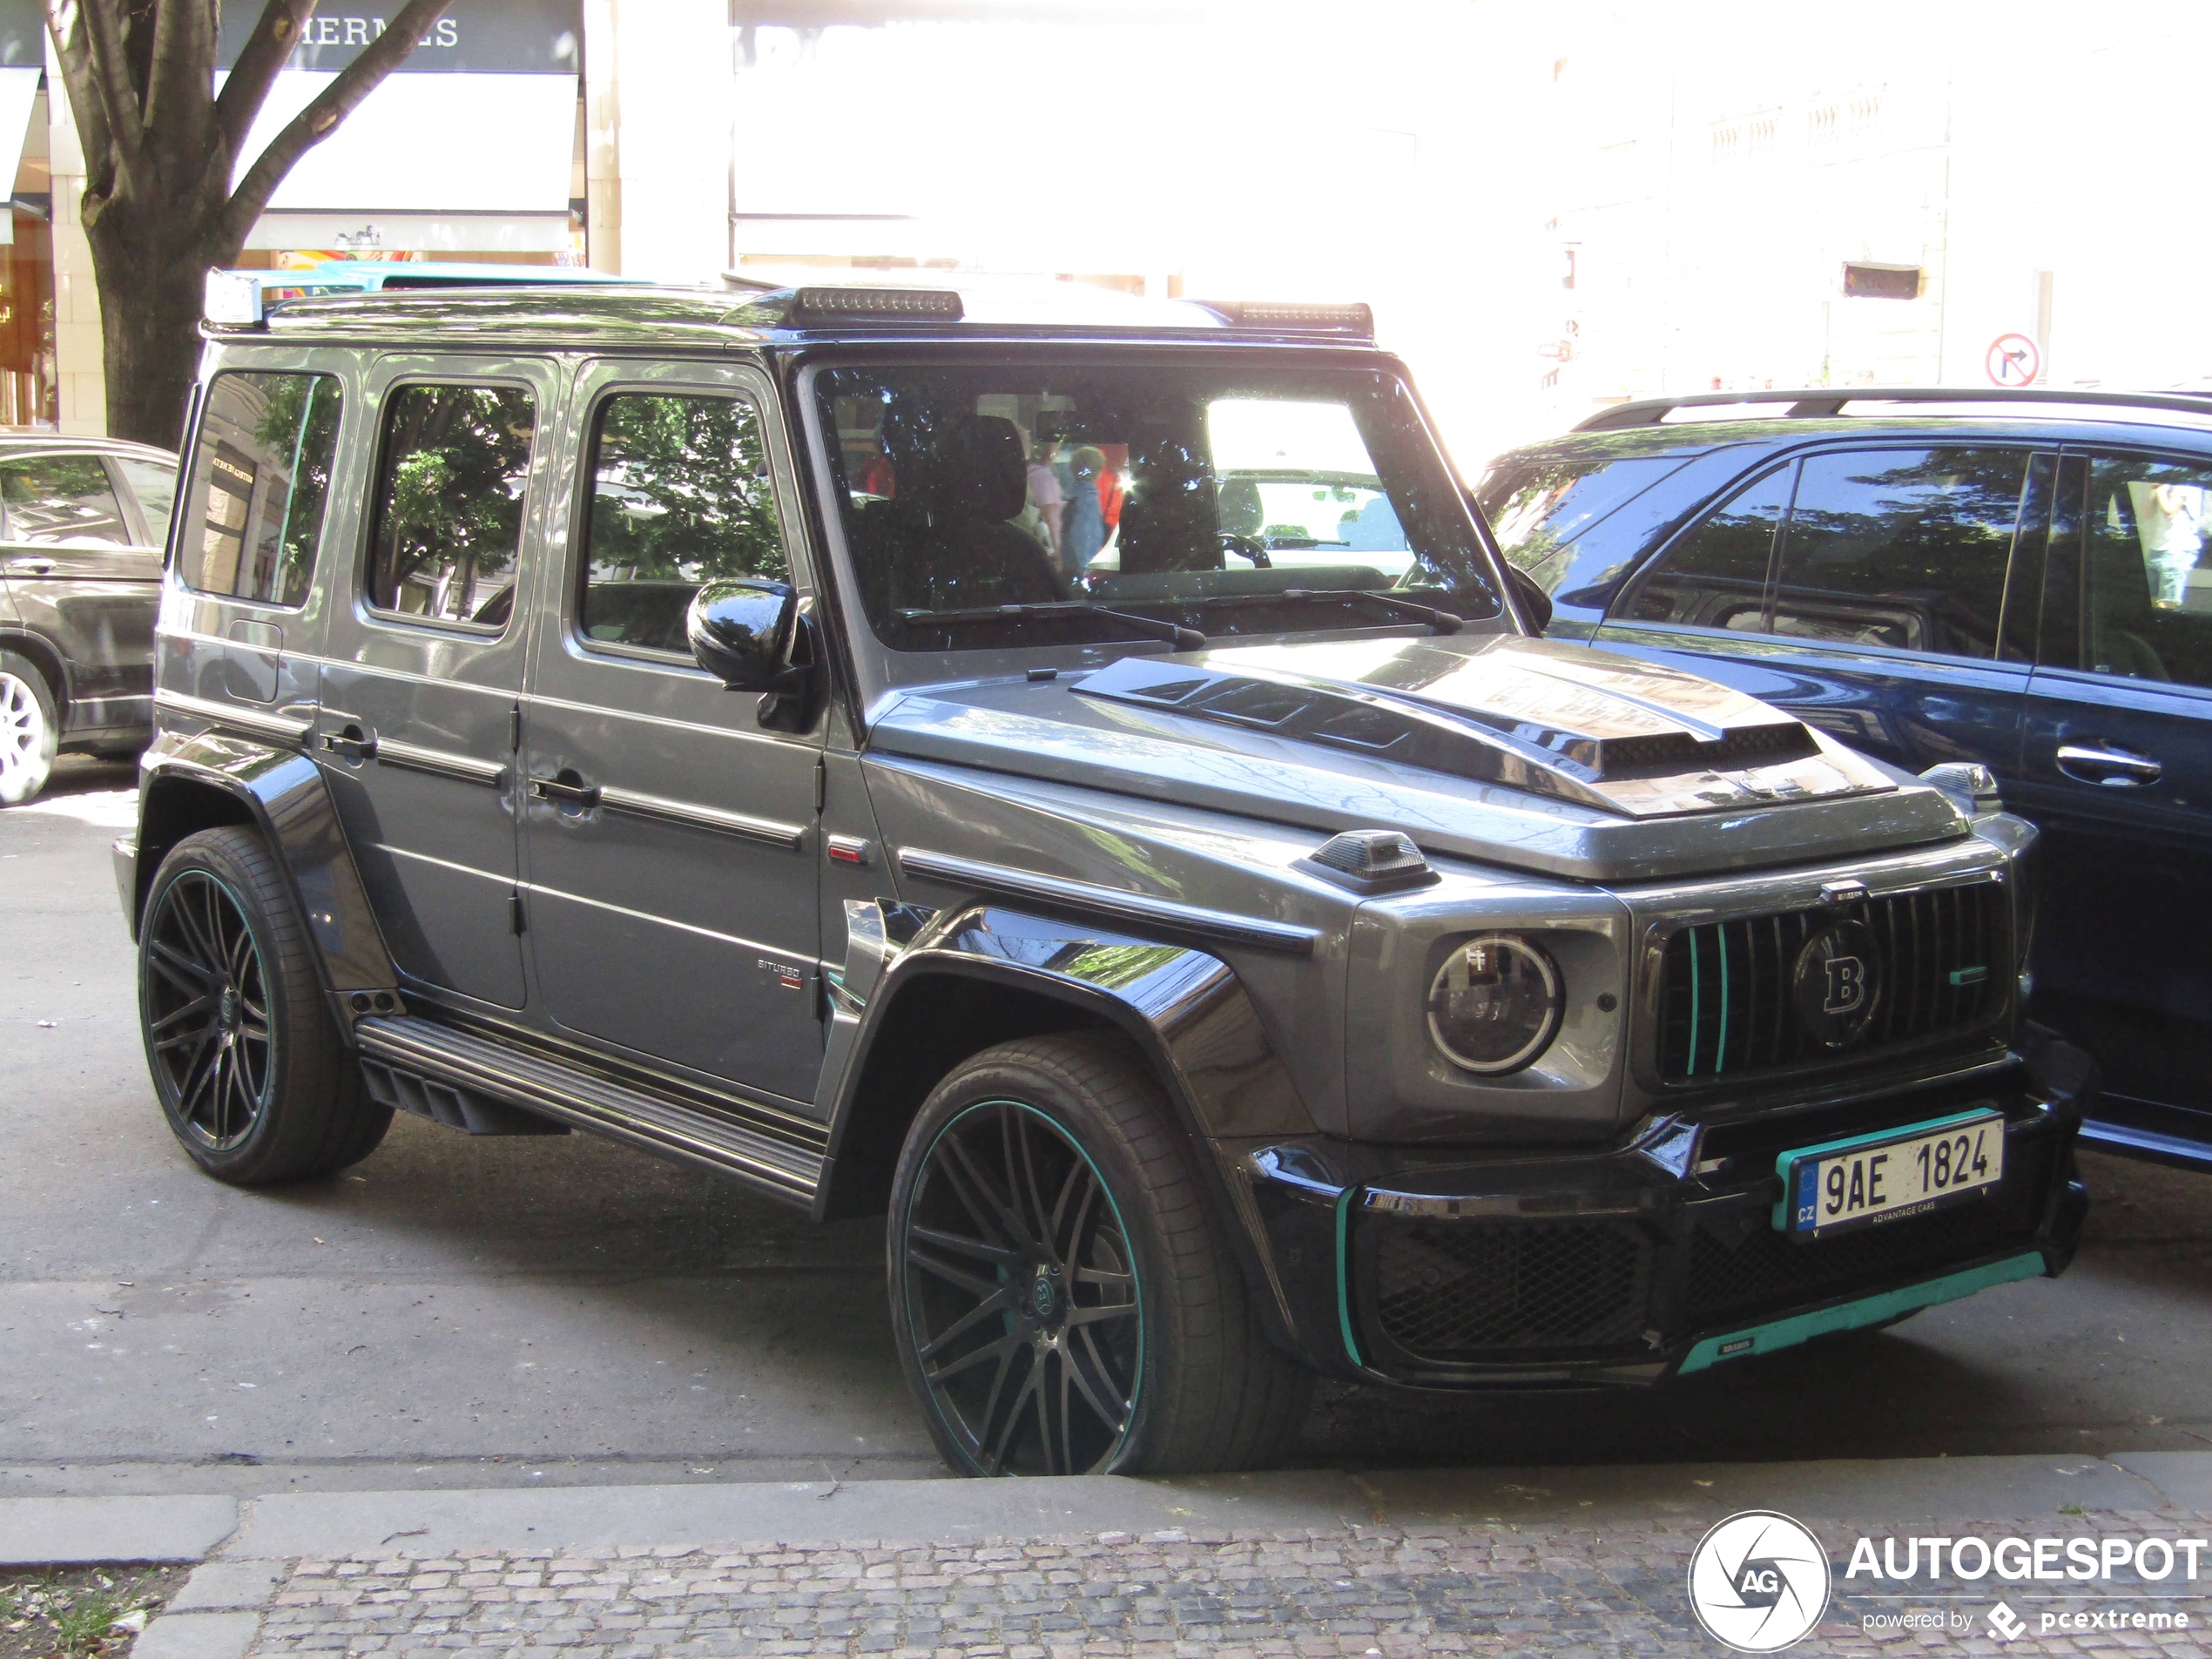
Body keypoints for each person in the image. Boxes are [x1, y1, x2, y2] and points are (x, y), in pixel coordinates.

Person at [1060, 446, 1108, 577]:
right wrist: (1085, 574)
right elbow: (1083, 539)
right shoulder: (1088, 502)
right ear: (1098, 471)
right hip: (1081, 574)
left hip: (1069, 568)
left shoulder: (1072, 497)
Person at [1025, 431, 1065, 560]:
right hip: (1049, 544)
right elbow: (1049, 515)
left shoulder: (1031, 470)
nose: (1058, 450)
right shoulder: (1043, 475)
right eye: (1056, 446)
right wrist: (1058, 552)